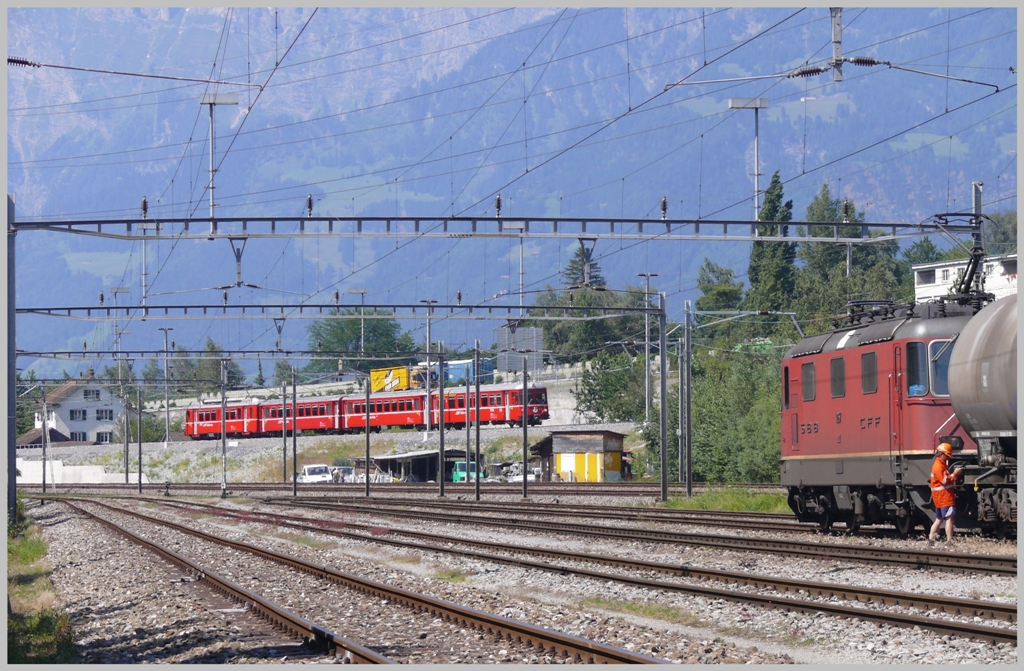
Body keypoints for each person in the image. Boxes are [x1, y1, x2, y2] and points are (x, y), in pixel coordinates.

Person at [928, 442, 963, 543]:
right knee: (949, 519)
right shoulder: (939, 466)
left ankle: (931, 539)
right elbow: (945, 481)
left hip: (939, 498)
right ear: (941, 454)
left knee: (939, 519)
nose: (948, 458)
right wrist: (955, 473)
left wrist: (953, 475)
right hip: (945, 497)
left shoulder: (939, 464)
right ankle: (949, 540)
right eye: (947, 456)